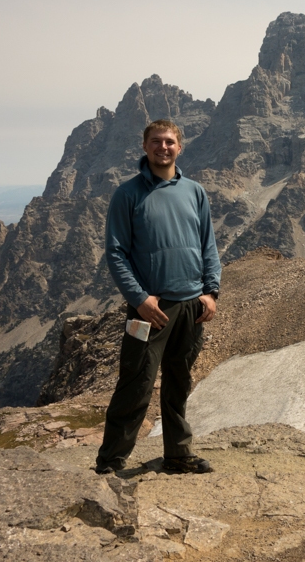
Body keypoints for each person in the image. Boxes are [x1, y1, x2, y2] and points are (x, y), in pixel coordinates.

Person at [94, 119, 221, 475]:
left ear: (179, 147)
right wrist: (139, 299)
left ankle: (178, 455)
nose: (162, 147)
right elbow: (116, 253)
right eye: (155, 141)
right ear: (144, 146)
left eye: (169, 142)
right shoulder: (128, 194)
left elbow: (207, 244)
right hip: (148, 310)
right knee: (136, 384)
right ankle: (111, 462)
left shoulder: (195, 192)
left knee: (179, 383)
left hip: (191, 307)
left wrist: (211, 292)